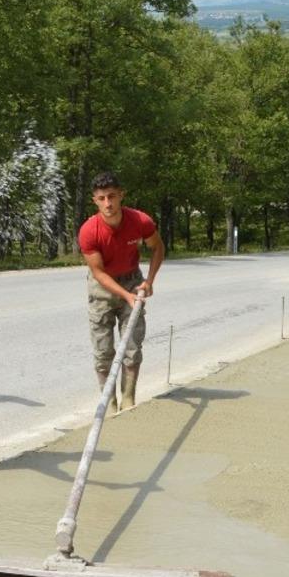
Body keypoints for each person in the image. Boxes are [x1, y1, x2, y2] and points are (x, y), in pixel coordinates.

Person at [78, 172, 165, 413]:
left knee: (132, 346)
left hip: (132, 281)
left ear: (121, 195)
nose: (108, 204)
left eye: (112, 197)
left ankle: (128, 398)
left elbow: (158, 248)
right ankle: (110, 402)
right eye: (102, 198)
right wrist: (124, 296)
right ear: (95, 200)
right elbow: (98, 273)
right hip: (102, 287)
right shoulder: (89, 231)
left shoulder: (140, 221)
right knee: (103, 350)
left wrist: (149, 280)